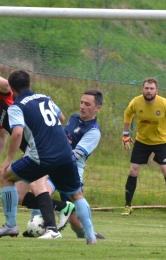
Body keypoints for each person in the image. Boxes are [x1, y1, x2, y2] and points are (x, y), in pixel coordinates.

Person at [0, 70, 96, 243]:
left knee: (7, 175)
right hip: (64, 152)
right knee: (76, 194)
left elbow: (17, 133)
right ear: (29, 84)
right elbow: (61, 118)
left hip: (40, 155)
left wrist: (7, 160)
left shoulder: (15, 105)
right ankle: (91, 237)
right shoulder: (44, 98)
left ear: (13, 89)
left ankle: (17, 225)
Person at [21, 89, 105, 240]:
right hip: (55, 165)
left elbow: (75, 155)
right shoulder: (73, 118)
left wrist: (49, 159)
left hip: (71, 171)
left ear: (97, 108)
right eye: (81, 103)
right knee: (39, 189)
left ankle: (88, 234)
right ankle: (38, 228)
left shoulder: (93, 131)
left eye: (87, 104)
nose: (82, 107)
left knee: (75, 223)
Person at [121, 77, 166, 219]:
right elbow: (127, 113)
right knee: (133, 170)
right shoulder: (136, 102)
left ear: (156, 90)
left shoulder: (164, 104)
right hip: (142, 141)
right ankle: (127, 206)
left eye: (151, 88)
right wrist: (125, 135)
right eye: (146, 88)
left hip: (161, 141)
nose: (148, 91)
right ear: (142, 89)